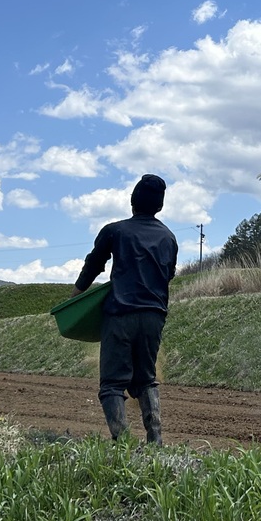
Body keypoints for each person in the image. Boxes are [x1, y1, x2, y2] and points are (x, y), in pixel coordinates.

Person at [73, 174, 178, 444]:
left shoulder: (115, 231)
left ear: (132, 201)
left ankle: (123, 445)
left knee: (112, 384)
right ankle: (155, 441)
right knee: (146, 380)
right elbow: (168, 275)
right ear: (160, 205)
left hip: (120, 315)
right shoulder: (169, 238)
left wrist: (76, 295)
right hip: (154, 317)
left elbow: (94, 264)